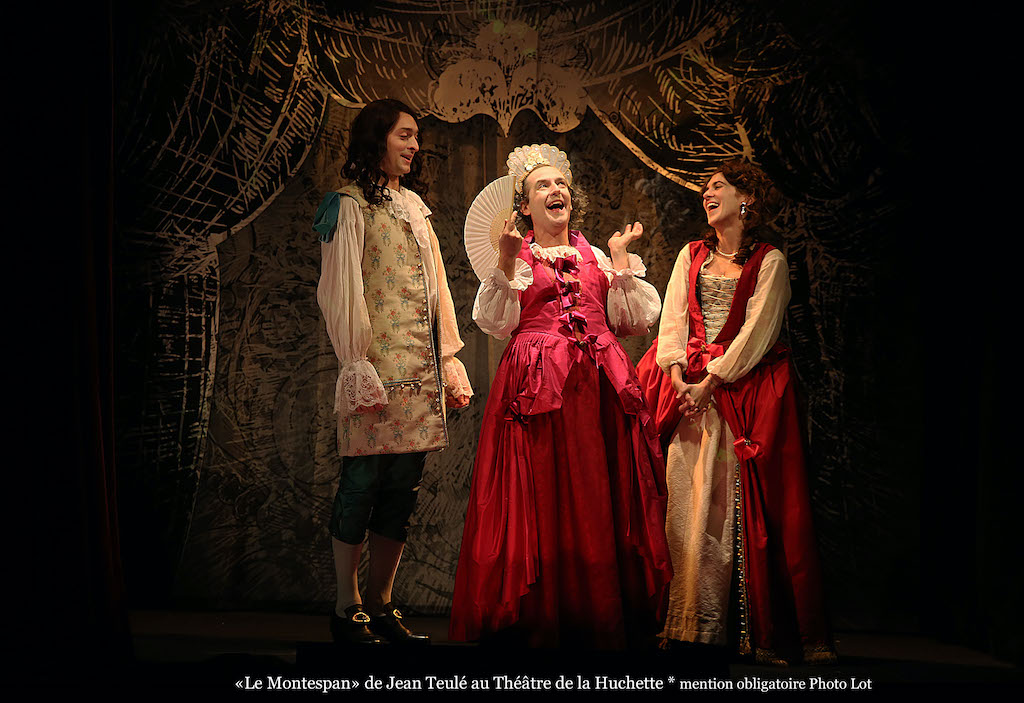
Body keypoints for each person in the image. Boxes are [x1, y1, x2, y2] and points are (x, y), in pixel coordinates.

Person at [449, 144, 672, 649]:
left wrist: (620, 261)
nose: (556, 191)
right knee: (539, 493)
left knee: (595, 492)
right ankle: (536, 617)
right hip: (537, 389)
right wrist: (507, 260)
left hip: (596, 389)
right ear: (524, 206)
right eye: (542, 186)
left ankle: (597, 613)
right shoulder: (518, 258)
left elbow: (633, 321)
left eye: (561, 183)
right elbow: (495, 322)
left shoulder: (596, 256)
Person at [639, 160, 835, 664]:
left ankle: (742, 628)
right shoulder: (691, 254)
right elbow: (673, 320)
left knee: (733, 506)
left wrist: (712, 382)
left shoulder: (770, 262)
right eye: (706, 188)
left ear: (746, 199)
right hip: (688, 390)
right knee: (684, 499)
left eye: (718, 186)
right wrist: (677, 378)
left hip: (743, 390)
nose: (707, 194)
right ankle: (684, 623)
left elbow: (758, 332)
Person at [313, 99, 473, 645]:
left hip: (418, 375)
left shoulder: (415, 209)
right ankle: (347, 604)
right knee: (360, 485)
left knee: (402, 490)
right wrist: (356, 361)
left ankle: (382, 602)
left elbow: (437, 290)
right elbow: (340, 292)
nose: (414, 145)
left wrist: (446, 358)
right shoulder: (350, 205)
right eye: (405, 135)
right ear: (377, 137)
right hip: (374, 375)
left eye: (416, 137)